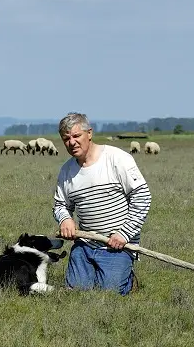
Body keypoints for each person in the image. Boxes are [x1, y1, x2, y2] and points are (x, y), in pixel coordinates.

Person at [53, 112, 152, 296]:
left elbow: (142, 196)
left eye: (76, 136)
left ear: (89, 133)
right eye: (66, 139)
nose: (72, 142)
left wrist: (124, 234)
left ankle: (128, 281)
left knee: (110, 293)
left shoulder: (116, 158)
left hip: (118, 245)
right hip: (85, 244)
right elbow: (60, 205)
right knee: (76, 293)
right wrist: (65, 219)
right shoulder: (67, 171)